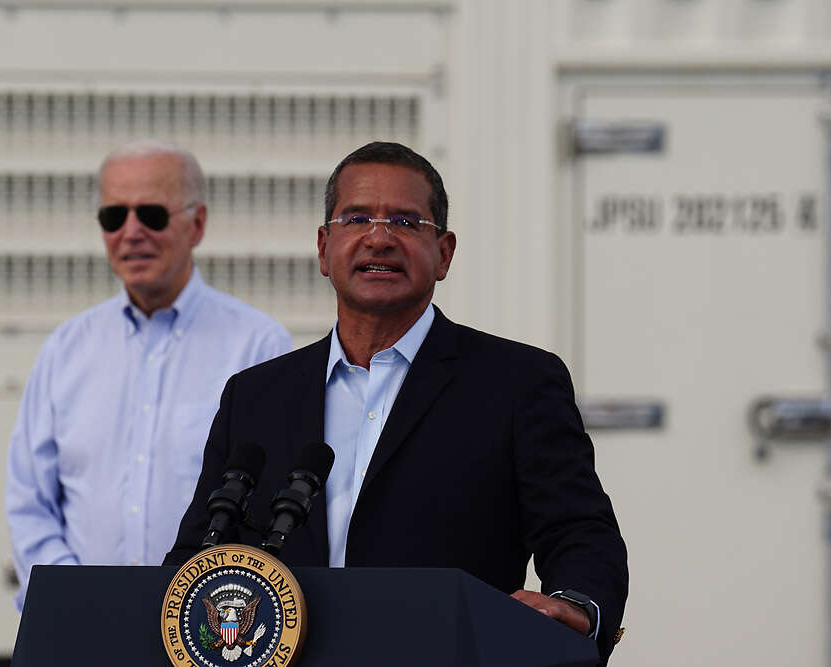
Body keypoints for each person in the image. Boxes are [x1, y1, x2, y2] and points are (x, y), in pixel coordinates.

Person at [163, 141, 627, 664]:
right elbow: (197, 550)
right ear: (323, 248)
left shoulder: (517, 383)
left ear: (445, 253)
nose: (379, 238)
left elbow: (579, 531)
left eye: (406, 223)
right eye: (357, 218)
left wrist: (576, 605)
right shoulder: (255, 395)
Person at [6, 140, 293, 609]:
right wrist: (76, 600)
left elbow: (266, 511)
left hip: (202, 631)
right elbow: (29, 500)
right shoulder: (66, 349)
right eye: (113, 217)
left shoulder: (258, 348)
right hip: (78, 628)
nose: (131, 232)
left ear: (197, 224)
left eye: (152, 215)